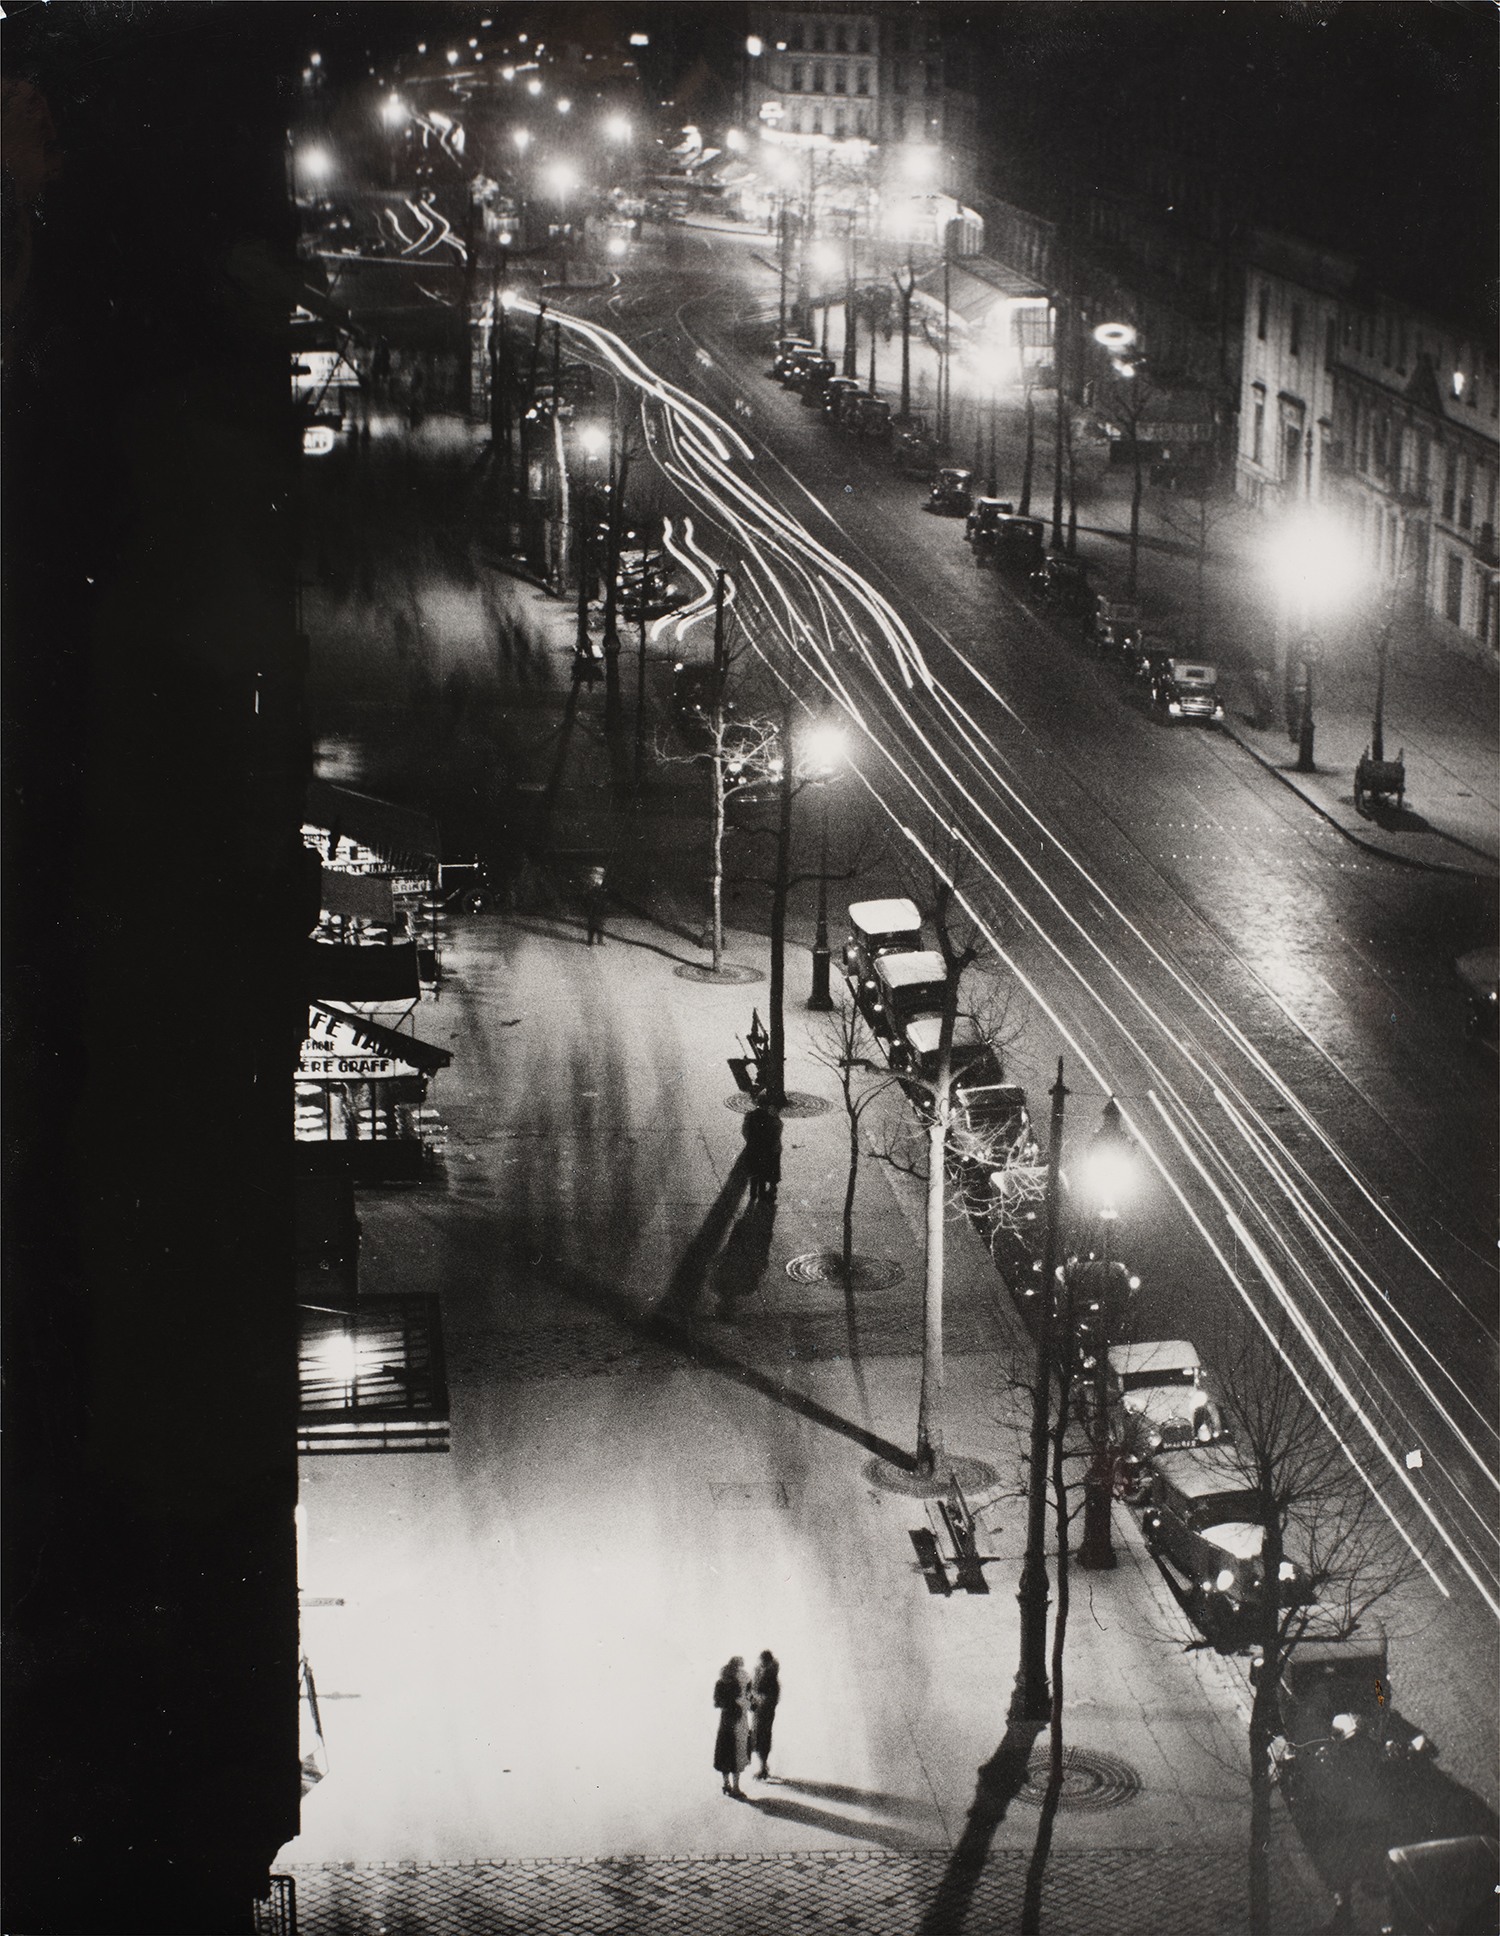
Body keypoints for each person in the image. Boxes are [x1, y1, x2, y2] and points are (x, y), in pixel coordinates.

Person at [713, 1657, 750, 1797]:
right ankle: (736, 1788)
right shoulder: (735, 1683)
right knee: (736, 1753)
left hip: (724, 1721)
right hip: (737, 1719)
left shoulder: (719, 1683)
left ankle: (726, 1784)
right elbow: (742, 1699)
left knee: (724, 1752)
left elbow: (717, 1703)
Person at [749, 1650, 780, 1779]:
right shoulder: (759, 1672)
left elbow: (772, 1697)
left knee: (763, 1737)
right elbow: (752, 1689)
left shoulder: (770, 1675)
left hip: (765, 1712)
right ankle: (763, 1766)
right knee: (759, 1737)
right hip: (759, 1711)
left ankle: (763, 1767)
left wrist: (759, 1700)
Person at [584, 866, 607, 947]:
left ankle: (596, 941)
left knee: (599, 924)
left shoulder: (597, 882)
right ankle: (591, 941)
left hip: (598, 906)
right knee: (594, 924)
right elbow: (588, 894)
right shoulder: (592, 882)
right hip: (594, 905)